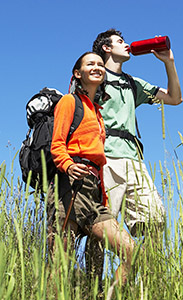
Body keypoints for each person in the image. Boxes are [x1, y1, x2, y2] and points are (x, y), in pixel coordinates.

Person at [85, 29, 182, 279]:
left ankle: (141, 284)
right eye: (119, 42)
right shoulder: (95, 75)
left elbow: (174, 98)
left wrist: (169, 62)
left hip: (135, 162)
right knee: (104, 226)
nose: (126, 45)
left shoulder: (132, 83)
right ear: (106, 48)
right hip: (105, 159)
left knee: (154, 221)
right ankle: (92, 286)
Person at [47, 51, 135, 287]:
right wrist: (67, 165)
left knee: (130, 251)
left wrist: (102, 195)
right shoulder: (69, 102)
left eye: (100, 64)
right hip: (70, 187)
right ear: (78, 73)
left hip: (93, 192)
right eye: (90, 64)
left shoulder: (98, 113)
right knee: (60, 264)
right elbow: (57, 144)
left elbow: (99, 160)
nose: (97, 67)